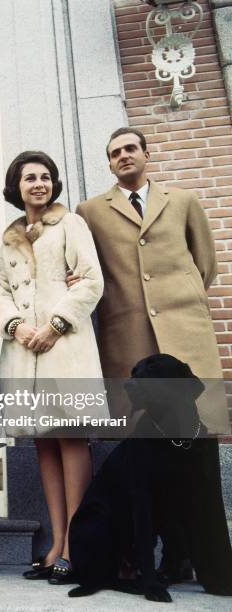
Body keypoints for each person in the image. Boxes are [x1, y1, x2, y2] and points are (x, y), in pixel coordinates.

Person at [73, 126, 229, 582]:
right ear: (108, 162)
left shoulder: (182, 201)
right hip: (130, 345)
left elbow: (207, 266)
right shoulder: (90, 212)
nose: (123, 156)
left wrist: (180, 303)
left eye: (129, 149)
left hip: (187, 343)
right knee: (143, 465)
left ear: (146, 153)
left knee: (199, 459)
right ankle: (150, 561)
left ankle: (216, 568)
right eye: (114, 152)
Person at [0, 151, 105, 585]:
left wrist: (56, 324)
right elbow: (0, 289)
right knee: (41, 443)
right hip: (24, 352)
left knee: (70, 437)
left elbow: (92, 280)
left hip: (65, 348)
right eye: (28, 178)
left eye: (44, 177)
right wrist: (16, 326)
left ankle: (76, 545)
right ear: (16, 187)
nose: (37, 183)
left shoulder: (71, 224)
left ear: (54, 184)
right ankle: (56, 544)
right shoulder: (8, 237)